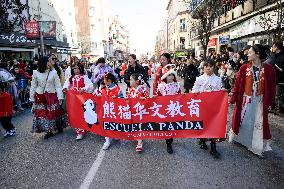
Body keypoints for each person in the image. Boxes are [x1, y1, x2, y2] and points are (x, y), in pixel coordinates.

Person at [229, 44, 276, 158]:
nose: (247, 54)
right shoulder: (244, 68)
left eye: (250, 52)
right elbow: (237, 85)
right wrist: (233, 98)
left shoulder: (269, 69)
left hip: (260, 101)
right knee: (243, 120)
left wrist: (270, 102)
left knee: (257, 123)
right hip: (246, 99)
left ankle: (256, 147)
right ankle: (240, 139)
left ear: (257, 54)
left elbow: (272, 88)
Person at [29, 56, 67, 139]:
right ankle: (48, 131)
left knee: (55, 113)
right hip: (40, 96)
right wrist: (32, 98)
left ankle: (58, 125)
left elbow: (57, 85)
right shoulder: (35, 73)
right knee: (43, 114)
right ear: (44, 63)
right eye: (48, 61)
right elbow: (33, 86)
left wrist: (60, 97)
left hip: (52, 96)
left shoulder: (53, 72)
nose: (50, 63)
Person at [191, 60, 223, 158]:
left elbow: (220, 90)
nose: (208, 68)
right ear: (203, 68)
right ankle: (202, 140)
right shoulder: (199, 79)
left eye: (210, 66)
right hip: (203, 105)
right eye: (206, 66)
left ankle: (213, 147)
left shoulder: (218, 79)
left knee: (214, 125)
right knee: (203, 124)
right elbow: (194, 90)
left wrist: (222, 91)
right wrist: (197, 92)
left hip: (214, 106)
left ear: (214, 67)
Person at [63, 63, 93, 140]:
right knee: (75, 114)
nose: (76, 70)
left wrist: (84, 88)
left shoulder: (84, 77)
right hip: (73, 99)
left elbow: (90, 85)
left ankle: (84, 128)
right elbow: (66, 85)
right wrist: (65, 88)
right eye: (74, 68)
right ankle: (80, 131)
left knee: (82, 113)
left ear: (81, 69)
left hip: (82, 99)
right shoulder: (70, 78)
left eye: (78, 68)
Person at [157, 65, 181, 154]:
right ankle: (168, 141)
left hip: (174, 108)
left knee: (172, 125)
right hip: (164, 108)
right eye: (169, 75)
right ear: (165, 76)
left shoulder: (176, 86)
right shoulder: (161, 86)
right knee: (166, 125)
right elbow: (158, 97)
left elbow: (180, 96)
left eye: (172, 75)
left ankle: (170, 140)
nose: (171, 77)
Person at [126, 73, 150, 152]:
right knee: (134, 124)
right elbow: (128, 99)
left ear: (136, 81)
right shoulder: (130, 89)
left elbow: (147, 99)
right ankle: (137, 137)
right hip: (133, 110)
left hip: (140, 111)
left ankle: (140, 141)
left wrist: (142, 100)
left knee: (139, 125)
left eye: (131, 80)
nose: (129, 81)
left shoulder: (142, 89)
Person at [100, 73, 124, 150]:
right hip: (105, 110)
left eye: (104, 79)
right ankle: (107, 141)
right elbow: (97, 95)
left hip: (114, 111)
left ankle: (115, 134)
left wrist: (116, 99)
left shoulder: (117, 89)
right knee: (105, 124)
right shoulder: (103, 88)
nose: (103, 81)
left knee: (114, 123)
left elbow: (122, 99)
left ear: (109, 80)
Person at [272, 42, 284, 114]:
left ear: (276, 47)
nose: (272, 48)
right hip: (275, 79)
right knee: (276, 94)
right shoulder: (275, 55)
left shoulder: (282, 56)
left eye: (273, 47)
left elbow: (280, 69)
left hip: (280, 79)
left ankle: (280, 109)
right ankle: (277, 108)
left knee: (278, 95)